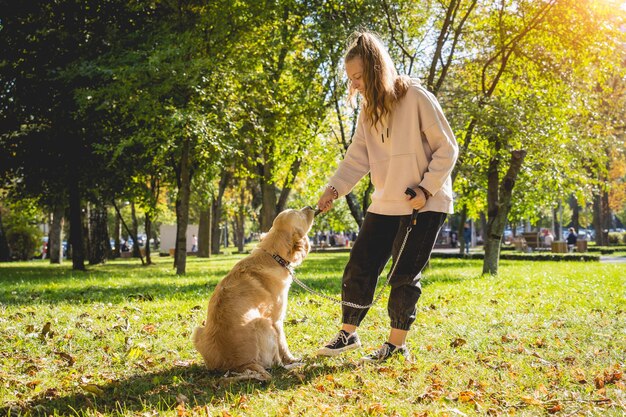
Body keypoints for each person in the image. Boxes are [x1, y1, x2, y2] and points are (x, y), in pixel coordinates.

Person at [315, 32, 458, 363]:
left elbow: (447, 148)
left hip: (424, 202)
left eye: (360, 76)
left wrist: (425, 188)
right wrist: (334, 188)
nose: (356, 84)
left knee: (404, 274)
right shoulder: (368, 112)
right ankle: (348, 334)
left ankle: (395, 345)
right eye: (351, 79)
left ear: (377, 68)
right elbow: (357, 157)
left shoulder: (417, 98)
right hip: (385, 201)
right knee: (359, 265)